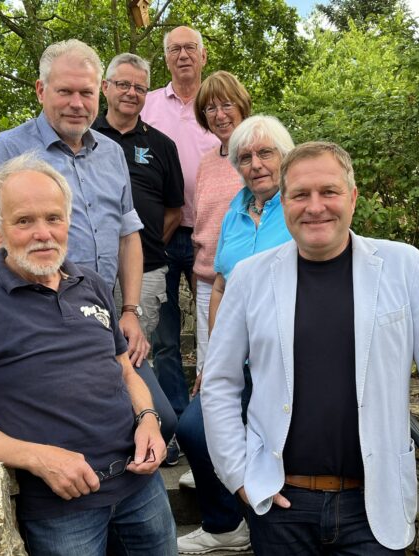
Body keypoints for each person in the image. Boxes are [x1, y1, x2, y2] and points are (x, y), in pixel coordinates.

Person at [201, 142, 419, 554]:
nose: (315, 206)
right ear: (284, 202)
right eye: (300, 194)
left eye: (329, 192)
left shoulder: (404, 267)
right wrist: (239, 477)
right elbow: (220, 382)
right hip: (279, 506)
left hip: (374, 507)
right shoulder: (249, 277)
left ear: (352, 198)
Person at [0, 154, 176, 555]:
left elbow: (125, 372)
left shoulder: (92, 283)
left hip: (141, 488)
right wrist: (40, 458)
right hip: (62, 510)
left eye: (53, 218)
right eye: (24, 221)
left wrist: (148, 421)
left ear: (69, 221)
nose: (43, 234)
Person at [0, 39, 176, 443]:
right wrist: (17, 326)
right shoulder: (7, 150)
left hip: (105, 319)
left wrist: (129, 311)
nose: (77, 103)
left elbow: (128, 236)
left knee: (161, 418)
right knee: (82, 427)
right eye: (65, 91)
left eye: (86, 92)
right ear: (41, 90)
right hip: (39, 326)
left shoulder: (112, 154)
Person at [176, 115, 295, 555]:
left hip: (285, 358)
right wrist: (213, 359)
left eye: (265, 153)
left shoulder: (299, 207)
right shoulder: (234, 213)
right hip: (238, 358)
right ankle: (227, 526)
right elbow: (220, 285)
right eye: (244, 157)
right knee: (193, 427)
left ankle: (269, 519)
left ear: (285, 156)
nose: (255, 164)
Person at [140, 26, 221, 431]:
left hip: (213, 236)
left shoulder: (218, 106)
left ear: (204, 56)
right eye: (175, 49)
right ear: (166, 58)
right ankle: (173, 425)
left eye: (191, 48)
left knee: (221, 334)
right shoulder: (148, 105)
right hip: (163, 234)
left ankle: (212, 421)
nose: (183, 55)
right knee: (165, 338)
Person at [92, 53, 185, 339]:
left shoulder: (162, 145)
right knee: (87, 349)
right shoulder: (83, 135)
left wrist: (143, 246)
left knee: (134, 353)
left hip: (146, 270)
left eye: (140, 88)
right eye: (123, 84)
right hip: (89, 269)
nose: (131, 93)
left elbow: (174, 210)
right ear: (105, 87)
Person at [190, 71, 251, 390]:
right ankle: (208, 437)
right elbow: (203, 221)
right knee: (209, 368)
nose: (219, 115)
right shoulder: (207, 162)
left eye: (226, 104)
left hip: (249, 283)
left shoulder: (260, 154)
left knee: (250, 370)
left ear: (241, 105)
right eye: (210, 108)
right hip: (208, 284)